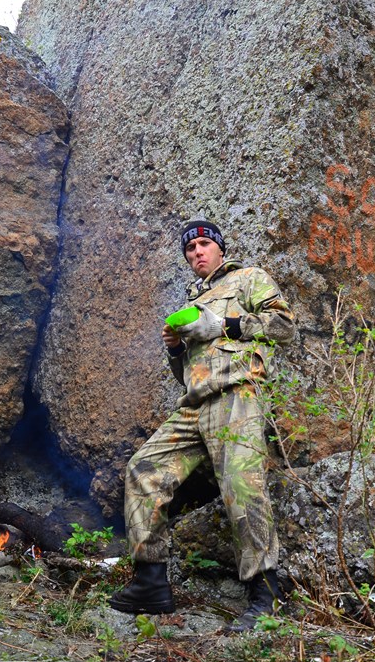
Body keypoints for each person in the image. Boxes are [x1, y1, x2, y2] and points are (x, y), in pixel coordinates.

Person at [109, 218, 296, 632]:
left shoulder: (248, 278)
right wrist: (176, 349)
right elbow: (186, 376)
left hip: (237, 395)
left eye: (203, 245)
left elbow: (285, 327)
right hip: (195, 404)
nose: (197, 252)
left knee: (241, 485)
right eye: (189, 249)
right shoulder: (193, 301)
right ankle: (150, 584)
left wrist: (224, 325)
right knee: (143, 469)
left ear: (219, 248)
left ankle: (267, 595)